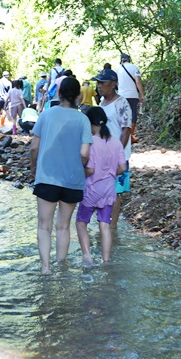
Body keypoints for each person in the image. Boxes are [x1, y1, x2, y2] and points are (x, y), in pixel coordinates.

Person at [29, 76, 92, 274]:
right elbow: (84, 153)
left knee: (44, 225)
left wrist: (34, 168)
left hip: (47, 177)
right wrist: (78, 166)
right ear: (79, 97)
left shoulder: (46, 114)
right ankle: (61, 265)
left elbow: (34, 147)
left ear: (59, 93)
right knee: (63, 226)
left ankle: (46, 268)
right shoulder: (83, 119)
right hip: (72, 179)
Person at [76, 106, 126, 266]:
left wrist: (78, 174)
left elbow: (89, 170)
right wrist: (110, 173)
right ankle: (106, 261)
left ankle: (87, 257)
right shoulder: (116, 142)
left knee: (81, 222)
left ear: (90, 124)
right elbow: (123, 168)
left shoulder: (90, 143)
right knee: (105, 225)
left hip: (92, 189)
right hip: (109, 189)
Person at [95, 68, 132, 233]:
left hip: (116, 155)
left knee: (114, 191)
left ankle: (113, 227)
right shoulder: (101, 103)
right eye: (98, 82)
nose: (99, 86)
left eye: (103, 83)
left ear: (114, 84)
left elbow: (126, 130)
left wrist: (118, 153)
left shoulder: (121, 103)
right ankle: (103, 224)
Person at [115, 53, 144, 143]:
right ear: (129, 59)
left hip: (121, 95)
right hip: (132, 95)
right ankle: (130, 136)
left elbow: (117, 84)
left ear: (121, 60)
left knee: (122, 116)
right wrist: (142, 95)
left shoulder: (117, 70)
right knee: (132, 116)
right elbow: (138, 82)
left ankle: (122, 136)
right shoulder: (134, 68)